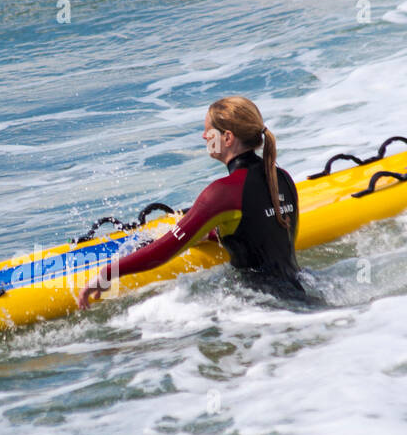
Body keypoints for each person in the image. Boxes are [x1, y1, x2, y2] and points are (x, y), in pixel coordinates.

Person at [77, 96, 304, 308]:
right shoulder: (282, 177)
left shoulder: (223, 192)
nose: (204, 136)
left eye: (208, 130)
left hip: (261, 307)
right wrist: (213, 234)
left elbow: (164, 251)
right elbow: (260, 228)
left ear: (227, 138)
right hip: (297, 292)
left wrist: (108, 273)